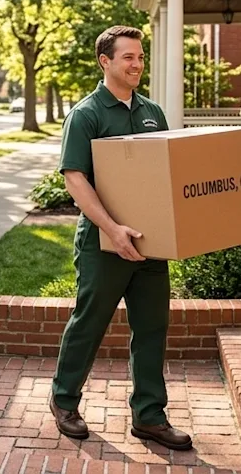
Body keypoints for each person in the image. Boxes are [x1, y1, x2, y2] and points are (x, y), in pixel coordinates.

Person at [48, 25, 192, 451]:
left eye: (141, 56)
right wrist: (113, 229)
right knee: (89, 323)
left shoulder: (152, 112)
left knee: (152, 328)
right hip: (103, 244)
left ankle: (149, 416)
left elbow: (165, 174)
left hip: (150, 242)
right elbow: (75, 179)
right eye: (128, 57)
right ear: (105, 61)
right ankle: (64, 400)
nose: (137, 64)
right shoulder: (87, 114)